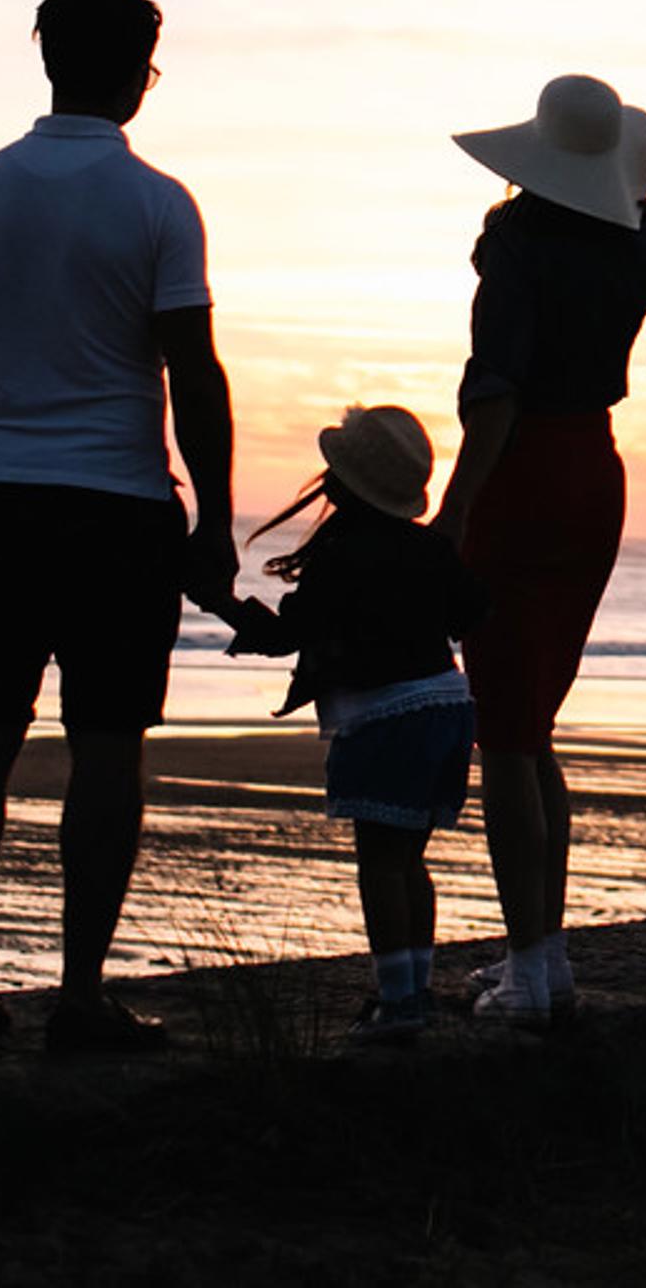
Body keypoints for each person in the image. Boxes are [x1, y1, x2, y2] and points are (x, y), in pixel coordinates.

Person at [0, 0, 238, 1053]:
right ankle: (81, 994)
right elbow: (195, 373)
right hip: (119, 514)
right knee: (105, 753)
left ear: (47, 60)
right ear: (138, 76)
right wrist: (217, 520)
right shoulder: (157, 202)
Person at [438, 73, 646, 1024]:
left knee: (508, 738)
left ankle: (529, 968)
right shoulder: (644, 242)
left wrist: (450, 512)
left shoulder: (515, 241)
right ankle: (543, 961)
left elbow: (495, 392)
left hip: (520, 476)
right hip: (594, 474)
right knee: (531, 726)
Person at [208, 405, 489, 1043]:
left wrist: (221, 605)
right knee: (408, 860)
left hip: (388, 718)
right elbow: (473, 607)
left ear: (341, 481)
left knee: (381, 864)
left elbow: (285, 637)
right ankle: (411, 992)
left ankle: (398, 1004)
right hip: (448, 707)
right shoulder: (429, 548)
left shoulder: (341, 551)